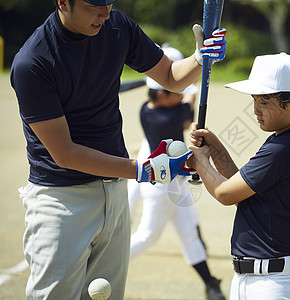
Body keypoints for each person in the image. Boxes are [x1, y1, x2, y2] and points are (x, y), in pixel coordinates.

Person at [9, 0, 226, 298]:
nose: (105, 13)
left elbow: (171, 78)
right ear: (63, 2)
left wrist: (199, 58)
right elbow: (65, 153)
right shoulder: (33, 62)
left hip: (114, 191)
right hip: (61, 200)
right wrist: (142, 170)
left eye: (109, 3)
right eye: (93, 5)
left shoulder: (117, 27)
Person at [187, 52, 290, 300]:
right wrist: (214, 148)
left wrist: (200, 160)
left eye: (265, 102)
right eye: (255, 100)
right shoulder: (282, 140)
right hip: (257, 279)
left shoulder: (285, 147)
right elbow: (241, 191)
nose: (256, 110)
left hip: (279, 282)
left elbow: (225, 194)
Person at [127, 45, 225, 300]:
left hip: (176, 183)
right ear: (159, 96)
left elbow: (180, 104)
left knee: (190, 236)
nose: (179, 95)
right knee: (148, 236)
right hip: (160, 185)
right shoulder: (160, 118)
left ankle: (210, 284)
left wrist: (183, 92)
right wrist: (191, 96)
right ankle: (106, 264)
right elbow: (185, 120)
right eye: (173, 93)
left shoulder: (150, 107)